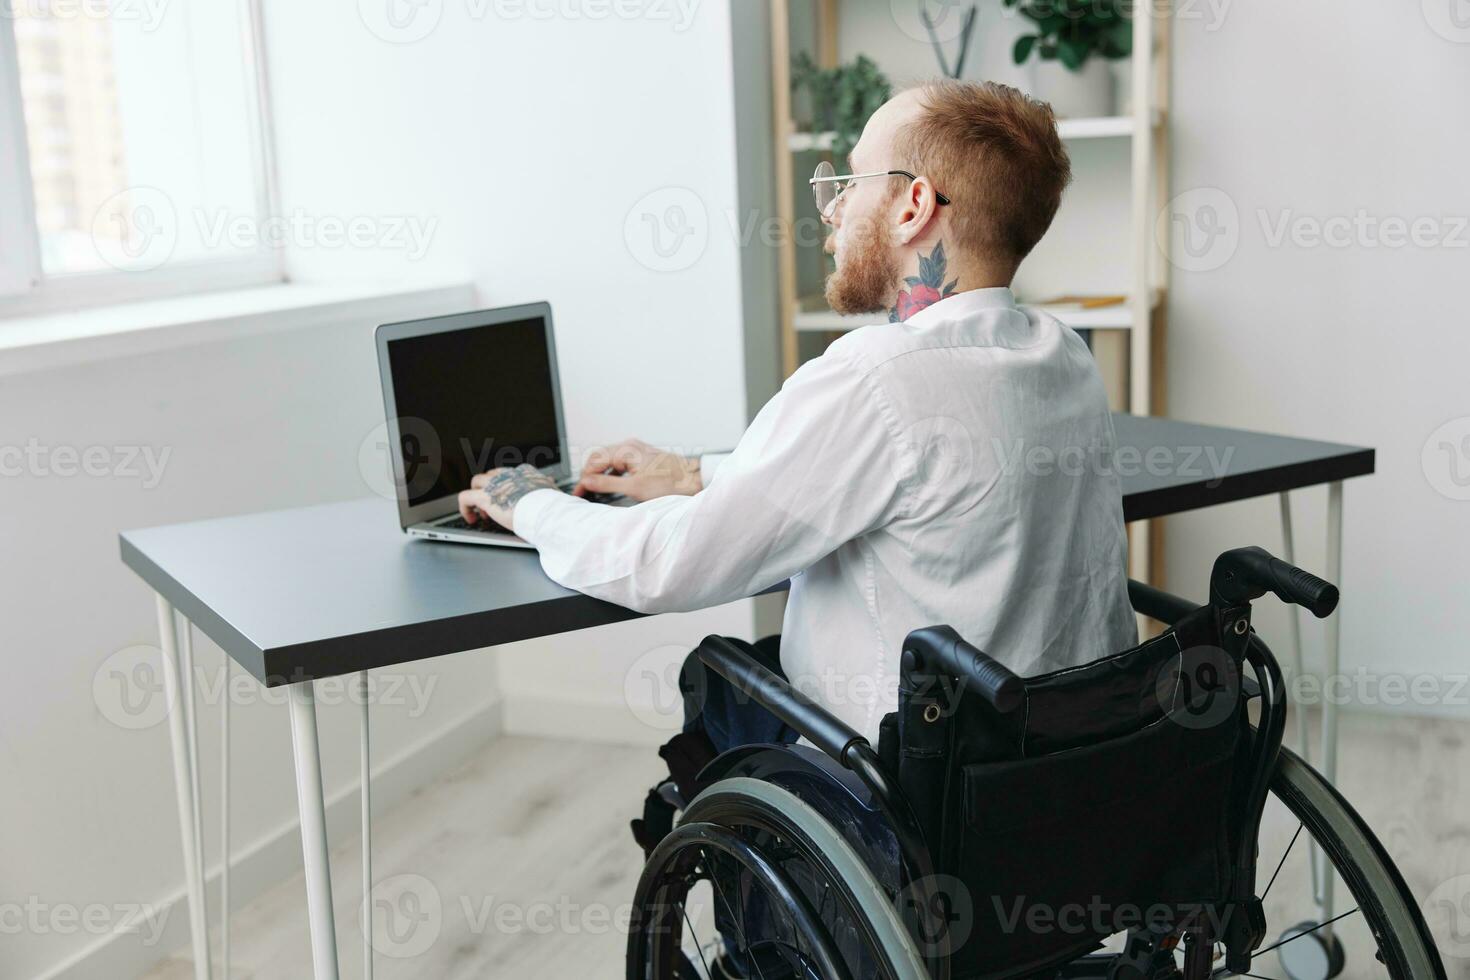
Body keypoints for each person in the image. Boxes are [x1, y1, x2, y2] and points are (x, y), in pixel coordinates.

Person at [459, 77, 1136, 832]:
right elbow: (920, 480)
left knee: (720, 677)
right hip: (1061, 789)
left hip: (907, 799)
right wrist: (693, 474)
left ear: (914, 206)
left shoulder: (873, 377)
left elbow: (668, 566)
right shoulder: (1062, 358)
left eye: (848, 182)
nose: (834, 209)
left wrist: (529, 504)